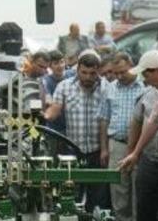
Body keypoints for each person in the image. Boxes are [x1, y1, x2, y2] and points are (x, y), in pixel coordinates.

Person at [43, 52, 109, 211]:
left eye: (92, 73)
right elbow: (55, 110)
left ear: (98, 71)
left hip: (97, 151)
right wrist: (42, 116)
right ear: (77, 70)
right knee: (73, 194)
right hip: (73, 150)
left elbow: (105, 120)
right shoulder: (64, 87)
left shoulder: (106, 87)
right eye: (84, 73)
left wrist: (105, 149)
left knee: (97, 196)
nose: (87, 77)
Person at [125, 50, 158, 221]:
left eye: (146, 73)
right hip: (150, 157)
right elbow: (136, 123)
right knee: (145, 206)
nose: (143, 78)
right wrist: (133, 152)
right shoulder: (145, 95)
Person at [100, 52, 145, 221]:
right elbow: (104, 119)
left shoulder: (145, 87)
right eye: (115, 73)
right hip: (117, 144)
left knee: (139, 193)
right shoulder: (109, 89)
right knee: (119, 193)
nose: (119, 76)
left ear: (132, 66)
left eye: (123, 72)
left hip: (140, 146)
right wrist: (104, 148)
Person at [40, 50, 68, 135]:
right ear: (50, 66)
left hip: (70, 126)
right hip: (54, 127)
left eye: (62, 62)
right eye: (56, 63)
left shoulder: (71, 76)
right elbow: (48, 101)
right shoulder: (46, 81)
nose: (60, 66)